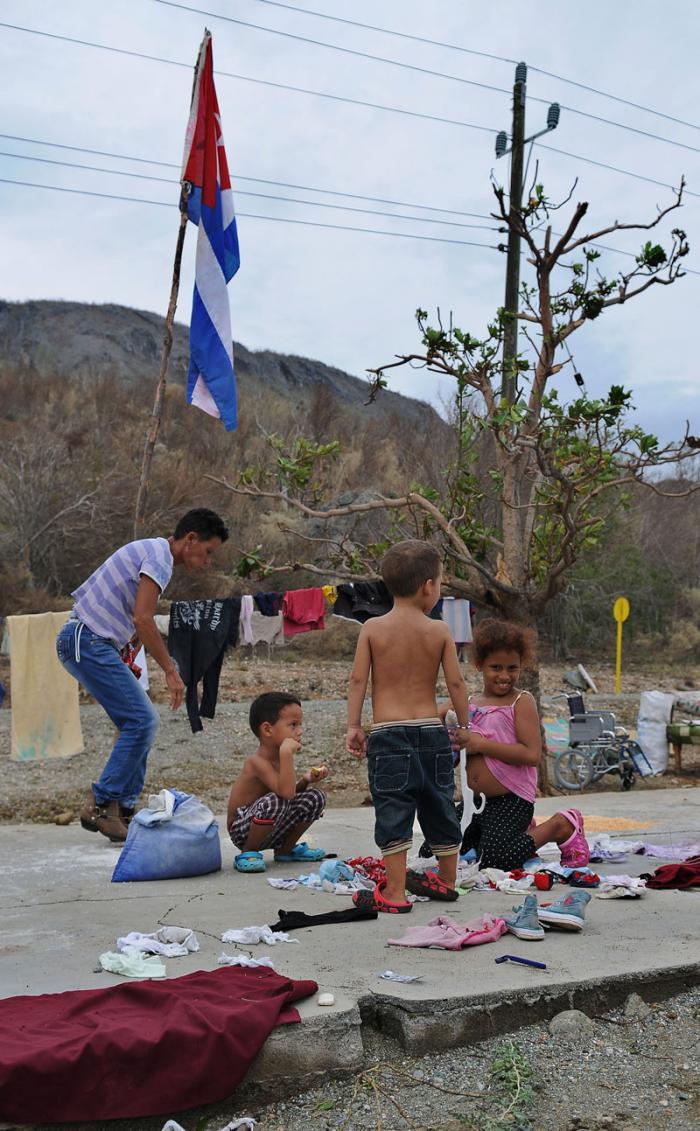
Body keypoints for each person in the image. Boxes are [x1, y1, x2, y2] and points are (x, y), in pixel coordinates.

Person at [56, 508, 229, 843]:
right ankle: (104, 801)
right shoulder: (159, 557)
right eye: (208, 552)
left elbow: (135, 624)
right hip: (85, 639)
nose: (208, 561)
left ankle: (122, 808)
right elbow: (143, 619)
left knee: (136, 724)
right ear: (190, 539)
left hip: (91, 642)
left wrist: (131, 650)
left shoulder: (155, 554)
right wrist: (170, 669)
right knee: (143, 721)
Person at [346, 540, 468, 913]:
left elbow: (357, 681)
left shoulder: (372, 628)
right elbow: (457, 684)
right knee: (439, 803)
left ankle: (395, 893)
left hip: (388, 734)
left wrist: (353, 725)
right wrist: (464, 724)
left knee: (394, 807)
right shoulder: (439, 631)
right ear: (428, 586)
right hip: (431, 732)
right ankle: (447, 881)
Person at [445, 618, 589, 870]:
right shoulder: (469, 703)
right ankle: (510, 836)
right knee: (437, 849)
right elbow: (443, 725)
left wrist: (480, 745)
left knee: (496, 860)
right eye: (496, 667)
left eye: (512, 668)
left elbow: (532, 754)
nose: (504, 676)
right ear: (479, 664)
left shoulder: (520, 701)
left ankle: (559, 825)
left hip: (512, 800)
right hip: (476, 802)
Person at [227, 692, 329, 873]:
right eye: (293, 725)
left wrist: (305, 781)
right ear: (267, 730)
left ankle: (285, 849)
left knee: (315, 797)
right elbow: (285, 795)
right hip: (242, 830)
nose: (300, 731)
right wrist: (286, 754)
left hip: (269, 823)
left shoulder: (280, 757)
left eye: (300, 725)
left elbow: (289, 792)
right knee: (276, 801)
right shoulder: (256, 762)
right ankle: (248, 851)